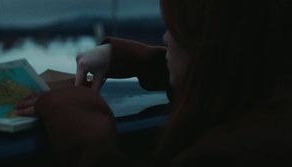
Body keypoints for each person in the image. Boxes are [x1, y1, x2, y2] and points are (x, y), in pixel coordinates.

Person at [16, 0, 292, 166]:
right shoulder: (266, 102)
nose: (164, 39)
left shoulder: (229, 156)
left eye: (176, 31)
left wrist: (86, 133)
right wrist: (137, 60)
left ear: (211, 51)